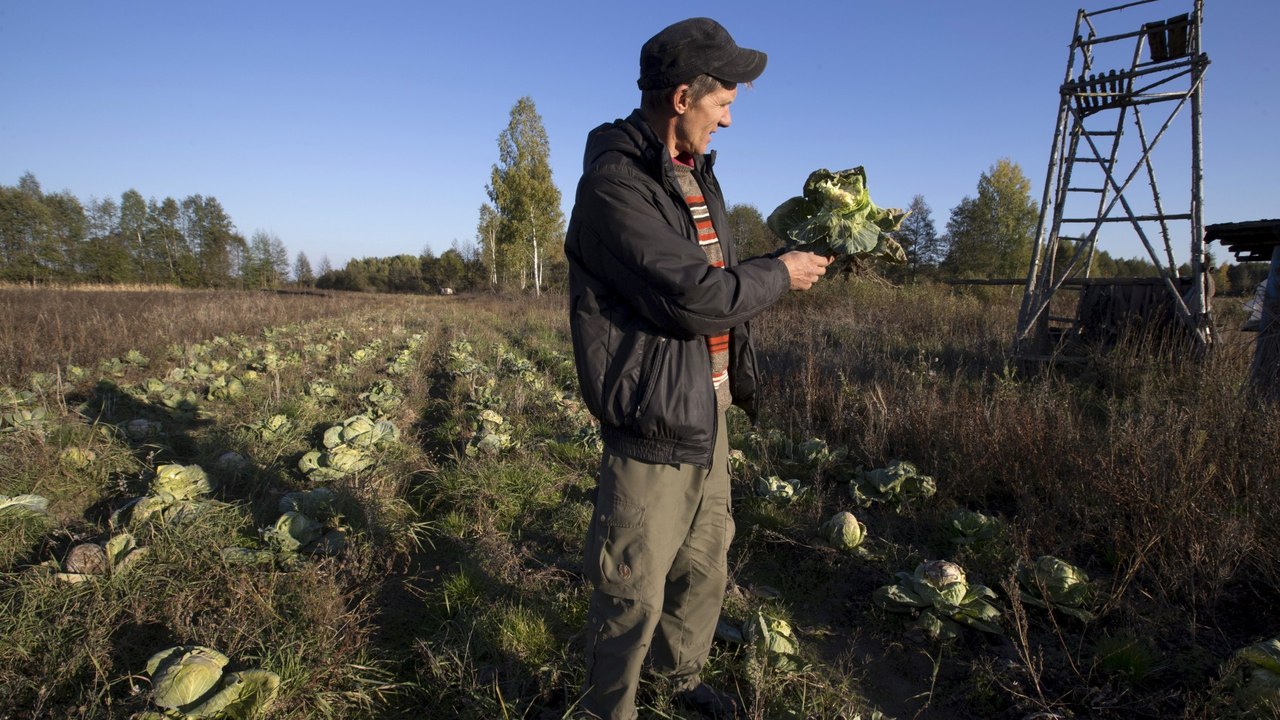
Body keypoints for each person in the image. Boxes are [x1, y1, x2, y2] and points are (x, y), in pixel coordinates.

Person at [564, 17, 831, 720]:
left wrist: (780, 262)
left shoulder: (693, 174)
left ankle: (676, 684)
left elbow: (713, 276)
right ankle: (608, 709)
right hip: (652, 422)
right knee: (631, 588)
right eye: (724, 104)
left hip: (706, 412)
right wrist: (780, 273)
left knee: (703, 565)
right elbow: (695, 297)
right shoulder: (615, 187)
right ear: (682, 98)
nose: (730, 121)